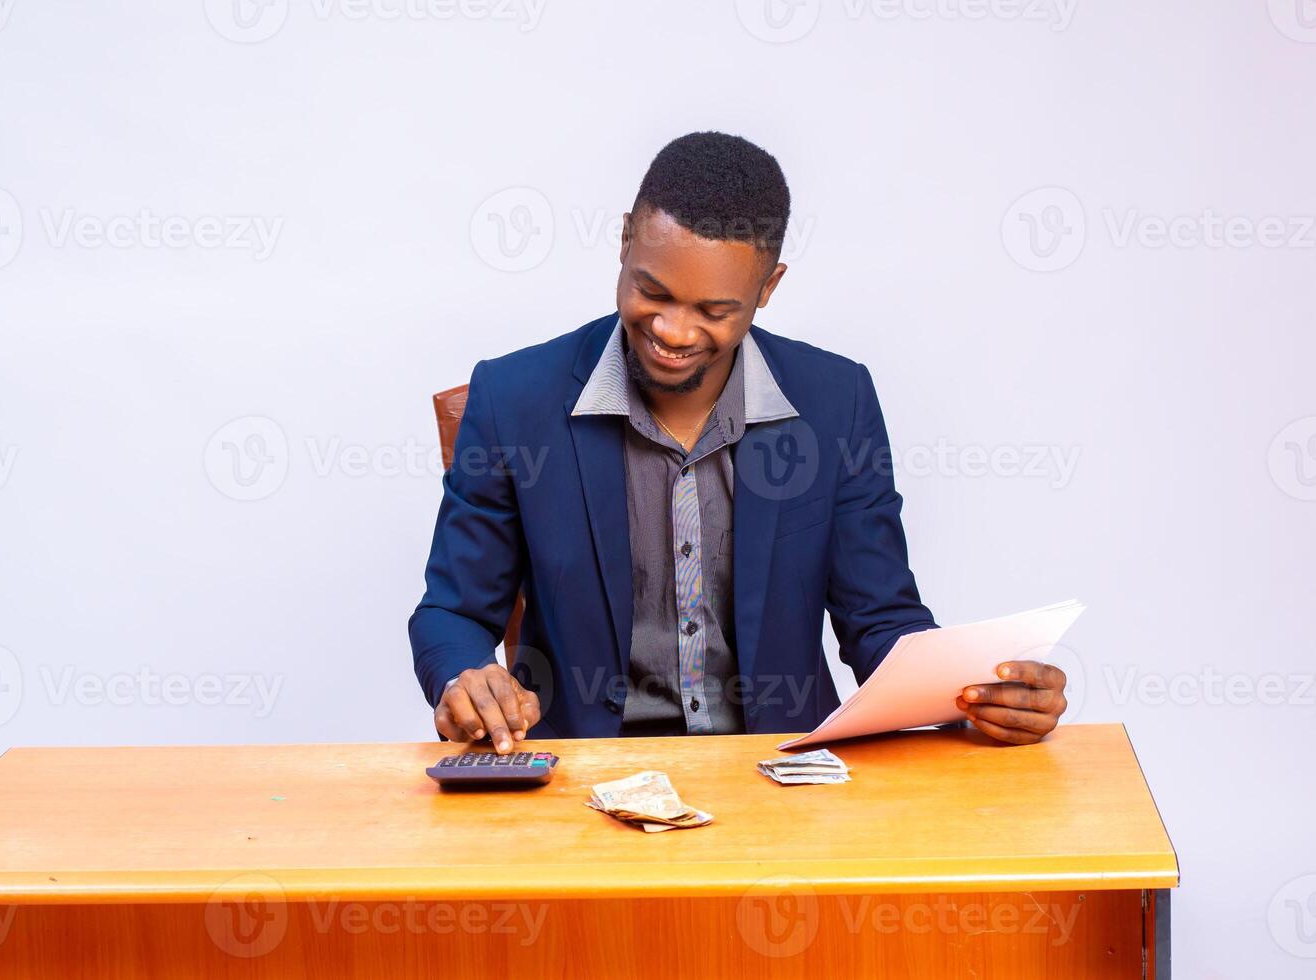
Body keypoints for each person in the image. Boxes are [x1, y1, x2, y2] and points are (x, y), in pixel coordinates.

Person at [410, 131, 1068, 752]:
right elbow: (453, 611)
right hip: (584, 785)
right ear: (624, 242)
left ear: (767, 288)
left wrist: (980, 695)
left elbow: (881, 624)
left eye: (713, 311)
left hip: (783, 781)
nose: (672, 329)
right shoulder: (512, 399)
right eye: (652, 291)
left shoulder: (836, 403)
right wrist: (464, 678)